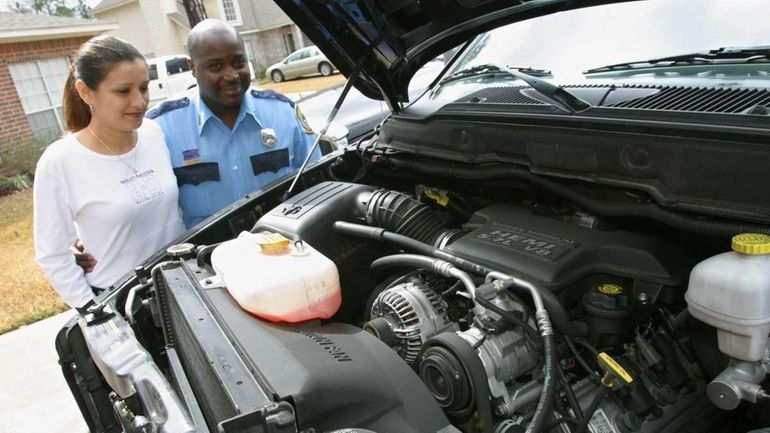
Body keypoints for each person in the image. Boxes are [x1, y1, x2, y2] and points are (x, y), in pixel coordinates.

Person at [34, 35, 183, 312]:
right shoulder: (59, 162)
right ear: (85, 91)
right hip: (121, 304)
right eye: (123, 91)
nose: (140, 101)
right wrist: (94, 310)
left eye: (144, 87)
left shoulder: (153, 133)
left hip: (181, 286)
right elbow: (53, 255)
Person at [146, 19, 321, 228]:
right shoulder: (163, 128)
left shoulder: (283, 113)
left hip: (282, 247)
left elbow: (316, 185)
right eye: (216, 66)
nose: (231, 75)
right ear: (192, 66)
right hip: (205, 256)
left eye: (238, 63)